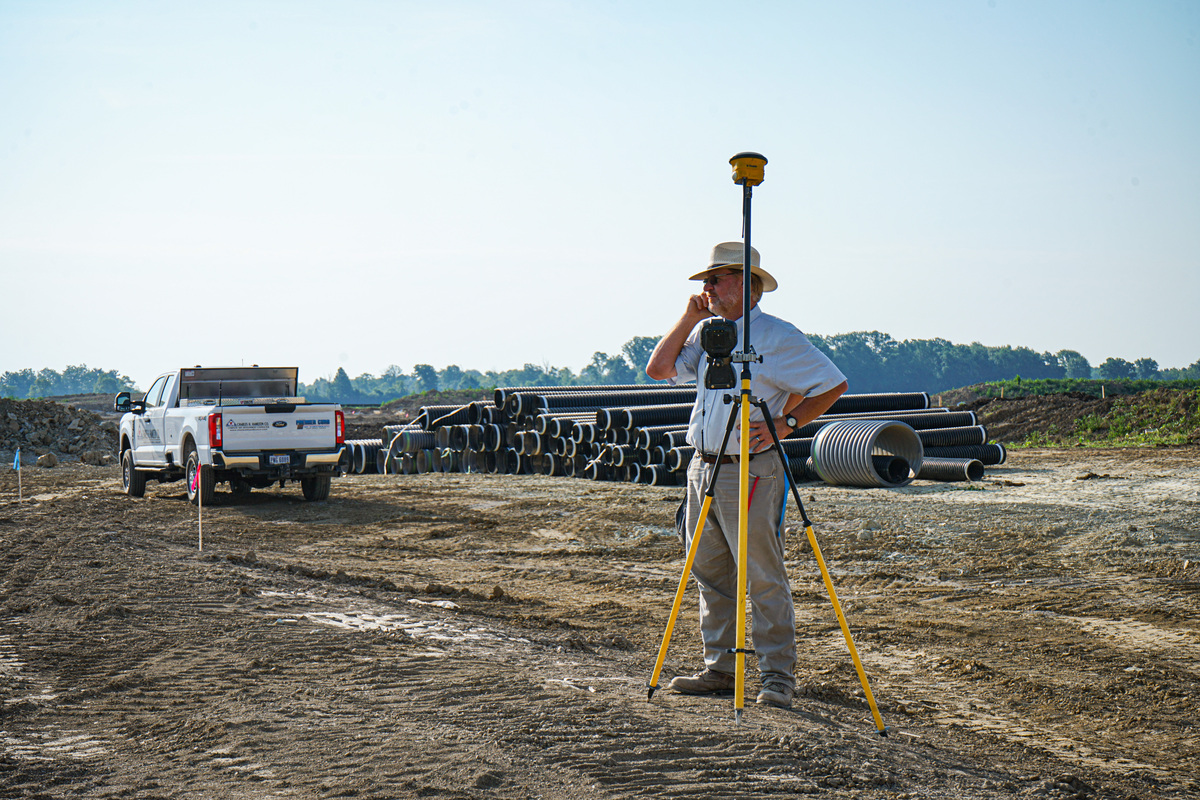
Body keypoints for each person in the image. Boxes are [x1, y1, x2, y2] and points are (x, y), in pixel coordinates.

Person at [645, 241, 848, 709]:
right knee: (711, 572)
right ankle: (720, 668)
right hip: (705, 465)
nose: (706, 287)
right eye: (705, 281)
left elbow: (832, 384)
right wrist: (688, 318)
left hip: (752, 470)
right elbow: (659, 369)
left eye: (715, 279)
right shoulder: (704, 334)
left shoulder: (777, 337)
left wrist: (787, 424)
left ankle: (777, 677)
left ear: (746, 285)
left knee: (762, 575)